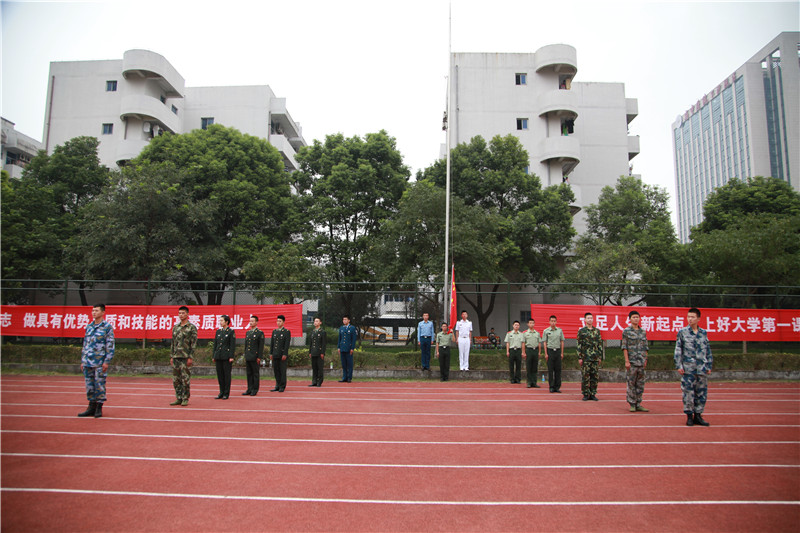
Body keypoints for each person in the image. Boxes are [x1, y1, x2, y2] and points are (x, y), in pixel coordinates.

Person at [675, 307, 713, 427]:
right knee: (688, 393)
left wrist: (709, 364)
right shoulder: (683, 332)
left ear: (698, 319)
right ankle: (689, 416)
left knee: (701, 393)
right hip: (688, 368)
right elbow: (678, 349)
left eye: (692, 317)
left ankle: (698, 415)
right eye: (688, 317)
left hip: (701, 368)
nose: (690, 319)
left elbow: (707, 350)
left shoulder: (703, 333)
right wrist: (678, 365)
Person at [78, 304, 115, 418]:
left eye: (96, 310)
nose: (94, 312)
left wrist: (106, 361)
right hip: (88, 361)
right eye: (93, 310)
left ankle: (99, 407)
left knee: (99, 384)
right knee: (89, 385)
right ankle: (91, 406)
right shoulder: (89, 327)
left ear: (103, 312)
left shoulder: (107, 327)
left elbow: (110, 345)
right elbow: (85, 344)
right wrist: (83, 360)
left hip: (99, 362)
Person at [622, 310, 649, 412]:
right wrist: (627, 361)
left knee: (640, 384)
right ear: (630, 319)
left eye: (637, 317)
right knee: (631, 383)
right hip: (632, 362)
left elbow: (646, 347)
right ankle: (632, 403)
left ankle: (638, 403)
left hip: (641, 361)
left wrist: (645, 359)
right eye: (633, 317)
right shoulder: (626, 331)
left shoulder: (643, 332)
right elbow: (624, 347)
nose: (636, 319)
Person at [170, 305, 197, 406]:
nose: (181, 315)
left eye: (183, 313)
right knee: (176, 380)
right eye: (179, 313)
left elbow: (193, 343)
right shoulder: (176, 327)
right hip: (176, 356)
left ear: (187, 314)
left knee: (185, 379)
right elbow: (173, 343)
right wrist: (172, 356)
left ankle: (185, 398)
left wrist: (190, 357)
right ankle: (178, 397)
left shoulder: (191, 328)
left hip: (185, 356)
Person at [577, 312, 604, 401]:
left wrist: (600, 357)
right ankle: (585, 393)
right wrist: (579, 357)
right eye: (588, 318)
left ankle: (593, 393)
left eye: (591, 318)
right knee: (585, 376)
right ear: (585, 320)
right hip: (586, 357)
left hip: (595, 357)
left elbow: (599, 344)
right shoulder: (582, 331)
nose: (590, 320)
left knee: (594, 376)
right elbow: (579, 345)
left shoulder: (597, 331)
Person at [212, 315, 236, 399]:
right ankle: (221, 392)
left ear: (226, 322)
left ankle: (226, 393)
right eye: (220, 320)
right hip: (218, 356)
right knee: (220, 375)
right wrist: (214, 355)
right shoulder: (218, 331)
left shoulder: (230, 332)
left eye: (222, 320)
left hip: (226, 356)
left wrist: (231, 356)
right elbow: (215, 344)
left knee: (226, 375)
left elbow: (232, 345)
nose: (220, 322)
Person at [542, 315, 565, 393]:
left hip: (557, 351)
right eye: (551, 321)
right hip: (550, 351)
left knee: (558, 370)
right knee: (551, 370)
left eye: (554, 321)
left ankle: (557, 387)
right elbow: (545, 342)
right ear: (549, 322)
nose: (553, 322)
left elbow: (562, 341)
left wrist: (562, 353)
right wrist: (546, 353)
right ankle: (551, 386)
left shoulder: (559, 330)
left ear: (556, 322)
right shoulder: (546, 331)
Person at [242, 315, 264, 396]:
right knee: (249, 373)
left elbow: (260, 346)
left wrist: (259, 357)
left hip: (255, 356)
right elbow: (246, 345)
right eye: (250, 321)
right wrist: (245, 354)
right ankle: (249, 389)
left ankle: (255, 389)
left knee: (255, 373)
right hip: (248, 356)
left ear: (256, 322)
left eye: (252, 321)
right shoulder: (248, 332)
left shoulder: (259, 333)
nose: (250, 322)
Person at [270, 314, 291, 392]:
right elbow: (272, 344)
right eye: (277, 321)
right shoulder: (274, 331)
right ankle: (277, 385)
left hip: (281, 354)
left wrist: (285, 354)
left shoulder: (286, 332)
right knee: (276, 370)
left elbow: (286, 344)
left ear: (283, 322)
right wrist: (271, 353)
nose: (278, 322)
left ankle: (282, 386)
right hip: (275, 354)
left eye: (280, 321)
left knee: (282, 370)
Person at [337, 315, 357, 383]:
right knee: (344, 364)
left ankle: (349, 377)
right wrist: (339, 347)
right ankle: (344, 377)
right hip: (342, 347)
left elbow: (353, 339)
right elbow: (340, 338)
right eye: (343, 319)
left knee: (349, 364)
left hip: (348, 348)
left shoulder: (352, 328)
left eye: (345, 319)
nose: (344, 321)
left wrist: (352, 348)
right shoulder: (341, 328)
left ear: (349, 320)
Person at [523, 319, 542, 388]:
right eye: (530, 323)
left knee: (535, 367)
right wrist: (523, 352)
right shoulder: (525, 333)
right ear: (528, 324)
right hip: (529, 350)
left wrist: (539, 352)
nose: (531, 324)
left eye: (533, 323)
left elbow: (539, 343)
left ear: (534, 324)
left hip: (535, 350)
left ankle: (534, 382)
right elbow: (523, 343)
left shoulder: (537, 333)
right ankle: (529, 382)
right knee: (529, 367)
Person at [308, 317, 327, 387]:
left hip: (319, 352)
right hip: (313, 352)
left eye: (317, 321)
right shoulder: (313, 332)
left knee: (320, 368)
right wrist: (310, 352)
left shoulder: (322, 332)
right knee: (314, 368)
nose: (315, 322)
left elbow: (323, 343)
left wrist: (322, 353)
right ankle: (314, 381)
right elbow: (311, 343)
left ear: (320, 323)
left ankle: (319, 381)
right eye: (314, 321)